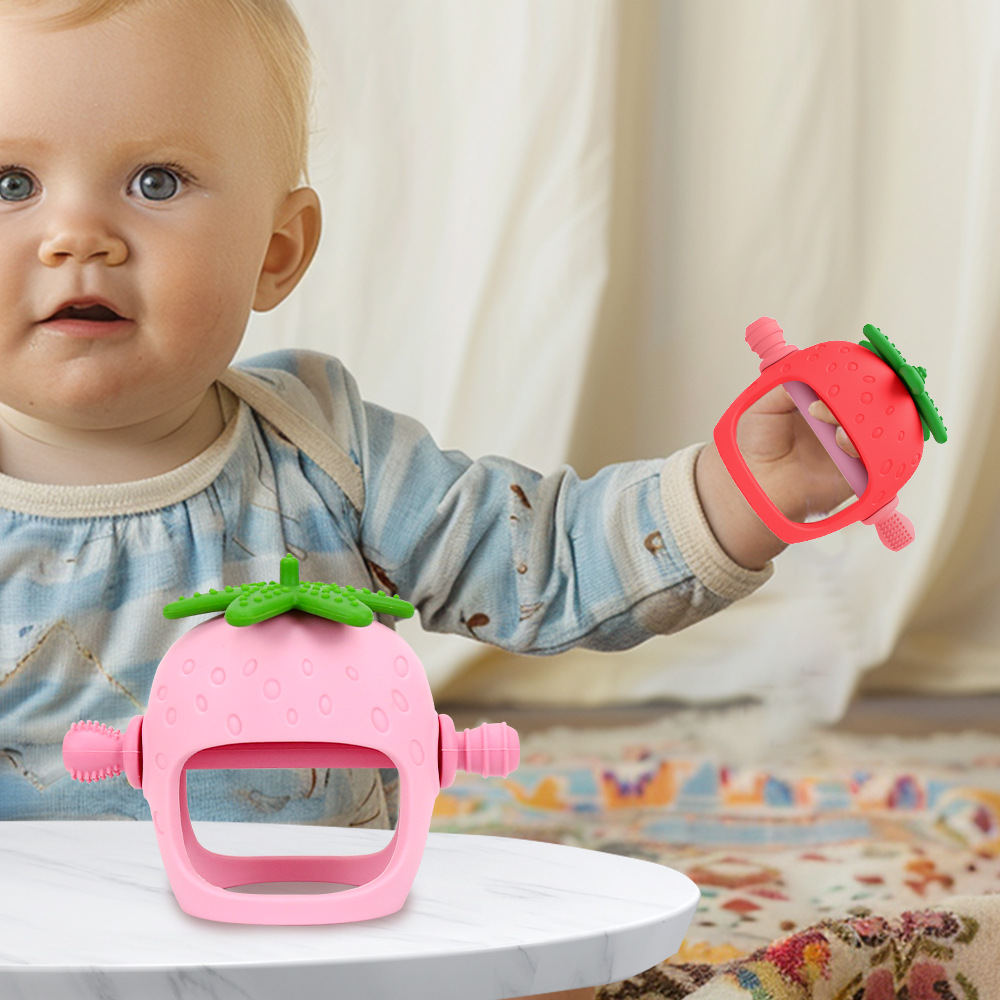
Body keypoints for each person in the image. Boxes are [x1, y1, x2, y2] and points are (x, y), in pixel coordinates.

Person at [0, 3, 852, 997]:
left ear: (276, 249)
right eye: (11, 183)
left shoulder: (328, 450)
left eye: (157, 181)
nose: (78, 236)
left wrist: (744, 489)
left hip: (331, 944)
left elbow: (544, 558)